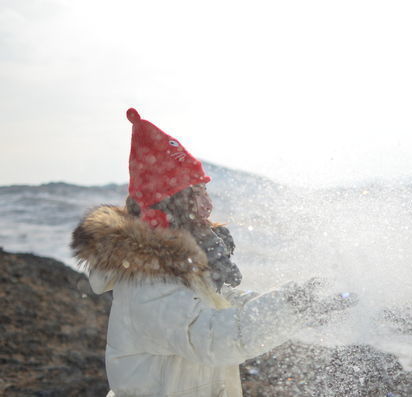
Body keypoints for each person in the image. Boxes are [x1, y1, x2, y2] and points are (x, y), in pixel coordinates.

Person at [71, 108, 356, 397]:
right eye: (195, 196)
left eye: (206, 193)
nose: (208, 207)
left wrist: (296, 302)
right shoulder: (147, 284)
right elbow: (218, 340)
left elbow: (221, 301)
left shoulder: (172, 269)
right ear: (168, 207)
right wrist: (290, 306)